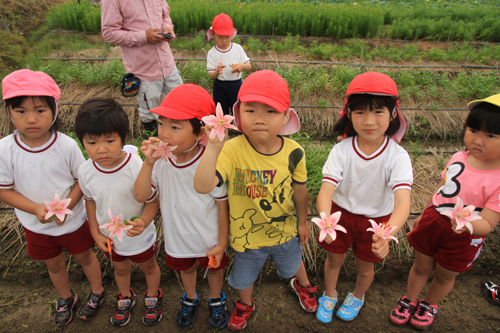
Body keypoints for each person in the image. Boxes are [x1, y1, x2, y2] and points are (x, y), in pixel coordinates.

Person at [194, 70, 318, 331]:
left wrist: (303, 223)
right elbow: (203, 186)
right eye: (250, 111)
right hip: (246, 237)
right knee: (243, 278)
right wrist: (214, 147)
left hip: (285, 231)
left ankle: (303, 286)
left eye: (270, 112)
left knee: (294, 262)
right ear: (238, 114)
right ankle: (245, 304)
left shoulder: (295, 151)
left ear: (286, 116)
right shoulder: (231, 149)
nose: (259, 120)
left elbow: (300, 190)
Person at [0, 69, 105, 326]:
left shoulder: (66, 145)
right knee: (54, 265)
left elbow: (83, 180)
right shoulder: (5, 148)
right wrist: (36, 209)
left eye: (40, 110)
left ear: (55, 111)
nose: (31, 119)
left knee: (85, 257)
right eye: (21, 111)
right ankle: (66, 297)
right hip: (36, 225)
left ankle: (98, 293)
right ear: (9, 113)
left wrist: (67, 205)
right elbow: (4, 190)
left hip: (72, 221)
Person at [390, 94, 500, 330]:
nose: (478, 141)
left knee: (445, 275)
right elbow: (444, 189)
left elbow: (489, 222)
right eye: (473, 130)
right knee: (421, 266)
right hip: (435, 221)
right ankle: (409, 299)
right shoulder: (459, 157)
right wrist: (427, 211)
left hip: (465, 234)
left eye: (490, 135)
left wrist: (467, 225)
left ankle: (429, 303)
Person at [315, 72, 412, 323]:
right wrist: (326, 220)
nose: (368, 121)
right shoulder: (342, 150)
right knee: (334, 259)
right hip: (340, 216)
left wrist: (388, 232)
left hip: (377, 222)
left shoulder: (397, 157)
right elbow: (326, 190)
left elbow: (402, 202)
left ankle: (357, 296)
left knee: (365, 267)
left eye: (378, 112)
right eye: (359, 112)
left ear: (392, 114)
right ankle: (329, 294)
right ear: (348, 114)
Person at [134, 84, 230, 329]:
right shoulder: (160, 162)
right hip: (178, 238)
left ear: (200, 133)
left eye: (175, 127)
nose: (164, 133)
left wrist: (221, 243)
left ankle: (216, 298)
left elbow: (222, 206)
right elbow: (142, 196)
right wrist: (147, 164)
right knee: (185, 269)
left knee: (214, 270)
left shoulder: (210, 163)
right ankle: (190, 296)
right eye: (161, 123)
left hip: (209, 238)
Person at [74, 98, 161, 327]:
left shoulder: (136, 166)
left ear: (123, 138)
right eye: (91, 142)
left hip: (139, 235)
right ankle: (125, 296)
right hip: (110, 237)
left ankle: (152, 295)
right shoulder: (85, 171)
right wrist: (95, 232)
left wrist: (143, 220)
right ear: (82, 142)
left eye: (110, 141)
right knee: (120, 269)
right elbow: (90, 201)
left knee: (149, 266)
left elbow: (153, 201)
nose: (101, 149)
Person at [101, 0, 183, 133]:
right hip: (144, 70)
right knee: (152, 115)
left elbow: (165, 15)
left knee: (182, 104)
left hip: (167, 63)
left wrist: (168, 28)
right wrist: (143, 36)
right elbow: (109, 33)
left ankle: (183, 146)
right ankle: (157, 148)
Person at [207, 13, 251, 115]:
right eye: (220, 37)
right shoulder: (212, 53)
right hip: (220, 86)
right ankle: (224, 130)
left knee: (239, 110)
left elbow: (248, 66)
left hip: (236, 85)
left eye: (227, 37)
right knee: (221, 112)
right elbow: (211, 75)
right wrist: (217, 72)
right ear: (213, 34)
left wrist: (241, 66)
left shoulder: (237, 48)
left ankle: (239, 129)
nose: (224, 40)